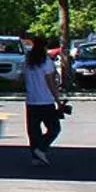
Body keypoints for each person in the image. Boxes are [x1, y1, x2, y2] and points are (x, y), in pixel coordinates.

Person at [21, 36, 66, 164]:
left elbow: (23, 78)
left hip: (31, 101)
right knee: (54, 129)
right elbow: (51, 83)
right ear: (45, 47)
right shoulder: (47, 62)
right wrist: (58, 101)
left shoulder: (28, 62)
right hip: (46, 101)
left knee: (34, 131)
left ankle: (35, 156)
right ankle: (41, 149)